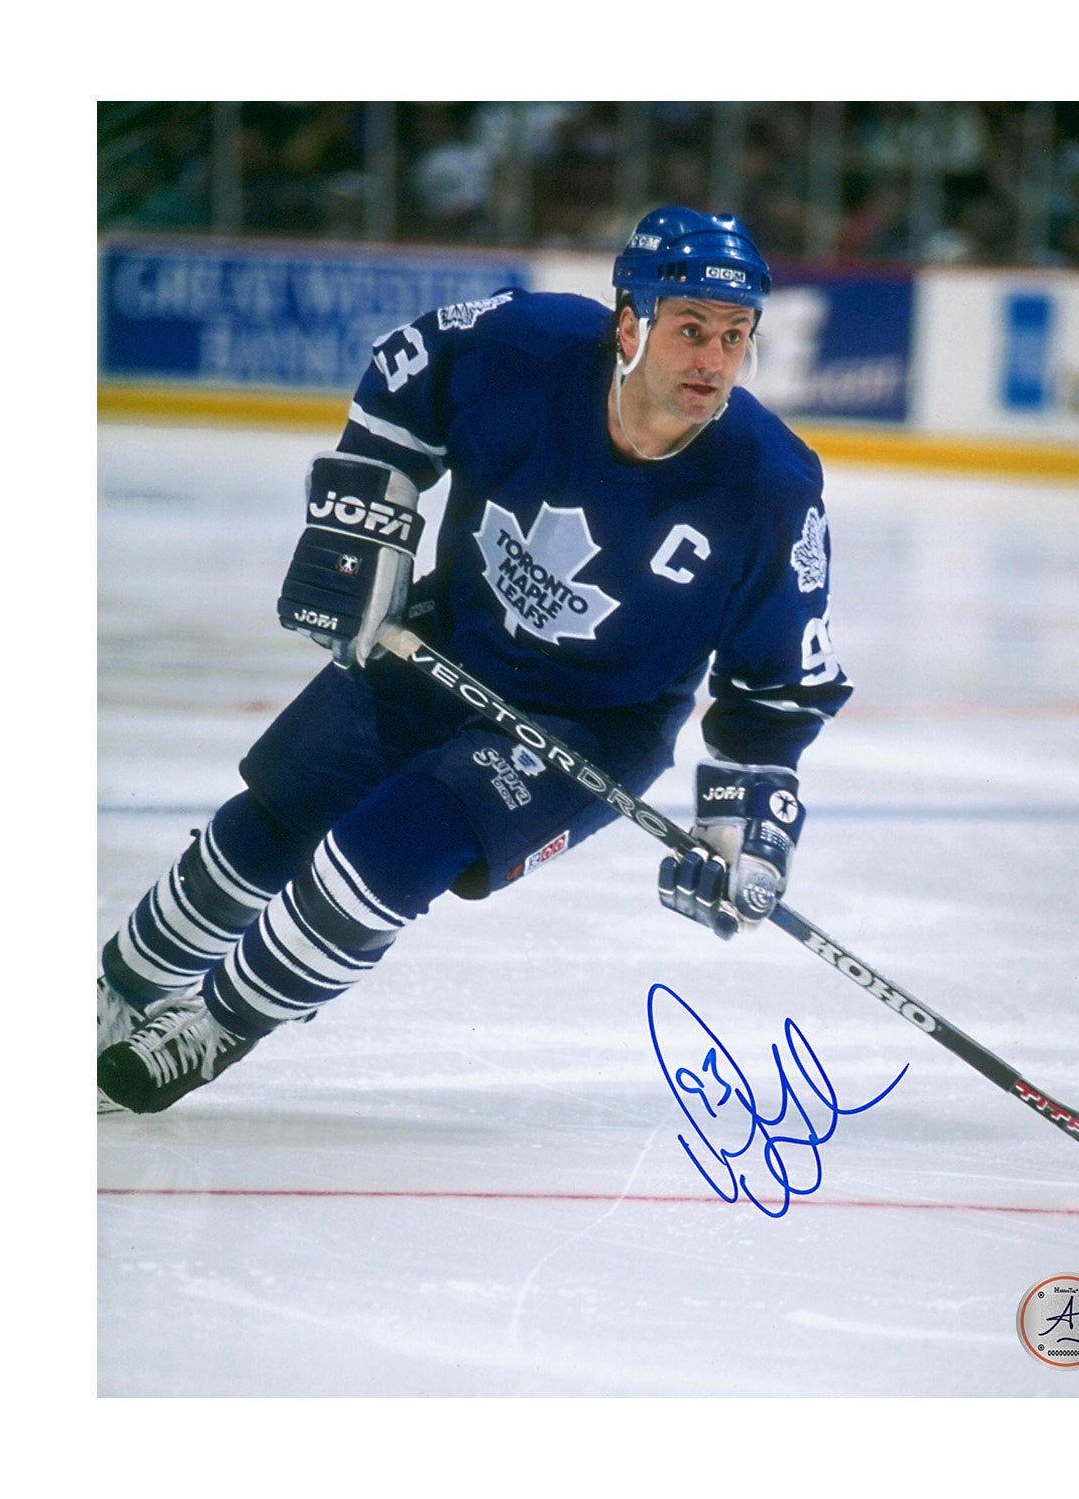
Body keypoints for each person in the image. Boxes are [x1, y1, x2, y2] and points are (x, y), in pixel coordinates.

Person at [97, 206, 854, 1114]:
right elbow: (405, 373)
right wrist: (365, 523)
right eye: (691, 329)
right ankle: (116, 989)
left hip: (588, 726)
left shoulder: (771, 486)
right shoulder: (526, 344)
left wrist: (746, 834)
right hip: (443, 642)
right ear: (630, 325)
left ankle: (218, 1024)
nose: (714, 359)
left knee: (387, 850)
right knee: (275, 816)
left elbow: (778, 688)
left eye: (734, 336)